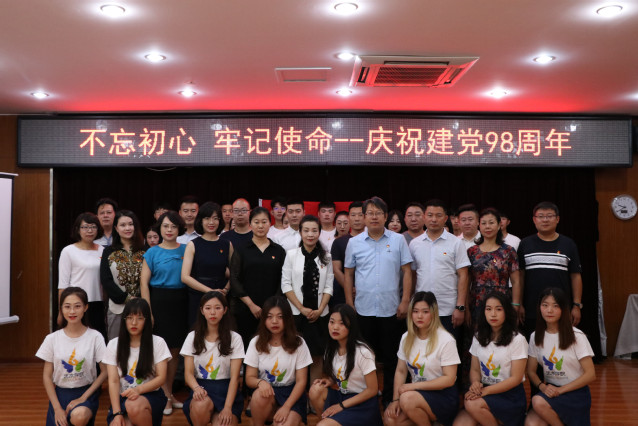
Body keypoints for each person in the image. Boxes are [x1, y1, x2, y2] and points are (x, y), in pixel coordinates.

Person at [344, 196, 413, 406]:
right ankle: (367, 401)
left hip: (391, 309)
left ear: (385, 217)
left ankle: (391, 400)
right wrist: (349, 304)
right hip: (363, 309)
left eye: (379, 213)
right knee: (365, 359)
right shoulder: (354, 242)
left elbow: (407, 271)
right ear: (364, 217)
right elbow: (348, 274)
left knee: (392, 358)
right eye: (370, 213)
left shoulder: (398, 240)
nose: (374, 217)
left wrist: (405, 301)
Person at [384, 292, 460, 426]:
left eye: (425, 312)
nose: (419, 316)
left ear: (433, 313)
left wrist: (413, 387)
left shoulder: (446, 340)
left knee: (407, 399)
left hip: (443, 396)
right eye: (415, 311)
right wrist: (395, 400)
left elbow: (449, 379)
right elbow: (401, 371)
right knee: (390, 419)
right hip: (415, 395)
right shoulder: (406, 337)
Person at [453, 292, 528, 426]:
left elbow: (516, 378)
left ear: (506, 311)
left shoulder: (518, 340)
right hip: (485, 392)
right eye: (488, 309)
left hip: (509, 396)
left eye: (498, 309)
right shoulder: (478, 336)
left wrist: (485, 391)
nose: (493, 314)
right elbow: (475, 370)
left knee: (471, 404)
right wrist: (475, 383)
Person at [36, 287, 107, 426]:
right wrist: (57, 408)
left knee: (79, 416)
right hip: (60, 394)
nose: (72, 311)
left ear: (86, 307)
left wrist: (84, 397)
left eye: (77, 306)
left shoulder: (95, 337)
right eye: (67, 306)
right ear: (61, 309)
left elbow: (105, 372)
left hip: (86, 393)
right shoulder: (52, 339)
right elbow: (46, 376)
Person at [525, 287, 595, 426]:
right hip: (551, 391)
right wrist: (542, 387)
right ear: (539, 308)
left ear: (563, 309)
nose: (549, 310)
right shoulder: (535, 336)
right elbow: (531, 371)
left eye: (555, 306)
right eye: (545, 305)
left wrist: (561, 390)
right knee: (531, 423)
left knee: (537, 401)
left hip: (575, 393)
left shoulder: (577, 336)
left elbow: (591, 375)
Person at [141, 210, 188, 414]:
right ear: (159, 228)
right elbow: (144, 283)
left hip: (182, 302)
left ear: (179, 229)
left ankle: (169, 394)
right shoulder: (152, 252)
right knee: (162, 352)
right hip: (159, 301)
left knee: (175, 352)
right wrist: (148, 311)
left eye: (173, 226)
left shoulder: (187, 249)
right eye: (165, 226)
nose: (169, 230)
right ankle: (165, 396)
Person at [308, 304, 382, 426]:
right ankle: (327, 421)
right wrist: (331, 380)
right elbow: (343, 374)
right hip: (343, 396)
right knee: (316, 390)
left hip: (362, 404)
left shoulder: (363, 352)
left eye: (341, 323)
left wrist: (341, 406)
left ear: (351, 326)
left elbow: (372, 390)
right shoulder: (330, 349)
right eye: (332, 322)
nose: (335, 327)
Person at [517, 201, 583, 337]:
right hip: (532, 308)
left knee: (561, 344)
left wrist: (576, 305)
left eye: (549, 216)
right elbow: (520, 277)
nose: (545, 220)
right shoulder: (525, 244)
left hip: (561, 307)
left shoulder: (568, 244)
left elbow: (575, 276)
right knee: (533, 344)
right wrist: (519, 304)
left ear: (557, 219)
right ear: (534, 220)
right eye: (541, 216)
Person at [244, 296, 312, 426]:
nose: (274, 321)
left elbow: (301, 381)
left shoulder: (299, 343)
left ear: (287, 318)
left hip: (291, 394)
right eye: (269, 317)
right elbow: (249, 378)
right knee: (259, 395)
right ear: (264, 319)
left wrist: (286, 407)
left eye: (280, 317)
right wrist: (260, 382)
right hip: (267, 392)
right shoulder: (256, 342)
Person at [281, 215, 334, 384]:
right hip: (297, 314)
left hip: (319, 314)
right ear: (300, 232)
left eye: (314, 230)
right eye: (306, 230)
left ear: (319, 232)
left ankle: (313, 392)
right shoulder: (291, 255)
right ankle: (297, 393)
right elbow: (286, 285)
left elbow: (329, 286)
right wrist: (301, 308)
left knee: (317, 355)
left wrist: (320, 310)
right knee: (295, 354)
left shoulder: (327, 256)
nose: (310, 234)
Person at [104, 298, 171, 426]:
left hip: (151, 395)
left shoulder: (158, 342)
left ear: (147, 320)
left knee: (133, 405)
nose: (134, 323)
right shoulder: (113, 344)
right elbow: (113, 381)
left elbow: (161, 377)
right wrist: (117, 413)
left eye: (139, 318)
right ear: (124, 320)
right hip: (124, 396)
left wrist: (138, 390)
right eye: (129, 318)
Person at [180, 291, 244, 426]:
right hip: (201, 387)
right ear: (202, 311)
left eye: (217, 308)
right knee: (200, 405)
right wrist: (196, 388)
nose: (213, 312)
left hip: (226, 389)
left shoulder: (235, 338)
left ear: (225, 310)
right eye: (208, 308)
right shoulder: (192, 336)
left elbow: (235, 378)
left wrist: (227, 407)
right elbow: (188, 374)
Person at [410, 199, 470, 337]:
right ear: (424, 217)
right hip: (422, 309)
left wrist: (460, 307)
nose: (434, 219)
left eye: (438, 215)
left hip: (448, 308)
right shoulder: (414, 244)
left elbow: (463, 275)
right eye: (430, 215)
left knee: (448, 347)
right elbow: (412, 275)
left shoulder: (456, 243)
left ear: (445, 218)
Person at [230, 207, 286, 348]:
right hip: (246, 308)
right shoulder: (242, 249)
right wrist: (251, 305)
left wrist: (272, 307)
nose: (260, 226)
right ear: (250, 224)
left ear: (270, 223)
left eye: (264, 222)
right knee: (246, 346)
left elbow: (283, 279)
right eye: (256, 222)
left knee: (271, 346)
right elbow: (234, 279)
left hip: (272, 311)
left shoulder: (278, 250)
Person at [181, 202, 233, 327]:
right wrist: (210, 291)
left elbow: (235, 273)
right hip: (199, 295)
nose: (211, 222)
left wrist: (225, 290)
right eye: (207, 218)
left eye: (215, 218)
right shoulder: (193, 244)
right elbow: (185, 277)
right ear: (201, 220)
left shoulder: (227, 244)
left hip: (221, 296)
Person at [467, 208, 521, 324]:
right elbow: (467, 281)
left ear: (499, 225)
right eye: (484, 223)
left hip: (502, 304)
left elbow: (516, 281)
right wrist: (465, 307)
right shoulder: (472, 252)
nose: (487, 226)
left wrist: (516, 305)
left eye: (491, 223)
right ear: (479, 225)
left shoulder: (508, 251)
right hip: (477, 304)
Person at [58, 212, 106, 337]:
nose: (89, 231)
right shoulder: (68, 251)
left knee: (98, 338)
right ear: (78, 229)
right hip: (76, 303)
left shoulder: (103, 250)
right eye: (85, 227)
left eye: (93, 227)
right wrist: (61, 311)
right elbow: (63, 284)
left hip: (98, 303)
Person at [101, 210, 146, 341]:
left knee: (140, 345)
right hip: (117, 307)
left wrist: (138, 299)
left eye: (130, 224)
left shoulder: (145, 250)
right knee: (116, 345)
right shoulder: (108, 251)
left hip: (141, 306)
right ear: (116, 228)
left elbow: (149, 279)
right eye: (123, 225)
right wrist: (126, 298)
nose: (127, 228)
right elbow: (106, 280)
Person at [330, 202, 364, 309]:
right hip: (343, 294)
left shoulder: (371, 241)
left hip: (368, 292)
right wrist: (350, 288)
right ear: (349, 217)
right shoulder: (339, 242)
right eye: (353, 215)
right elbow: (336, 269)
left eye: (360, 215)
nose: (357, 219)